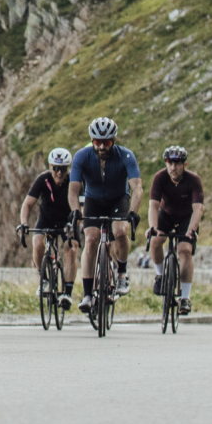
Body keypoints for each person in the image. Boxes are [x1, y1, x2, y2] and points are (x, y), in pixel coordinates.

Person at [70, 116, 142, 313]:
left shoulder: (126, 156)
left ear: (114, 141)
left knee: (120, 231)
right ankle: (86, 294)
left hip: (118, 199)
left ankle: (122, 273)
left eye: (107, 142)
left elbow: (137, 188)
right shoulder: (82, 156)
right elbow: (73, 190)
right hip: (93, 200)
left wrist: (133, 212)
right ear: (92, 141)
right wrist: (76, 211)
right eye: (97, 142)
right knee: (91, 239)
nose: (102, 146)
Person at [17, 146, 80, 310]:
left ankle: (67, 291)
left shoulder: (74, 180)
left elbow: (82, 208)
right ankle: (43, 278)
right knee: (37, 244)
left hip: (68, 221)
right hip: (46, 220)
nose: (60, 173)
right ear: (50, 167)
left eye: (63, 169)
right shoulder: (43, 179)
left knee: (71, 249)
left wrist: (74, 225)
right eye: (56, 168)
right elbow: (27, 204)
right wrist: (23, 223)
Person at [147, 145, 204, 315]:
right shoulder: (160, 177)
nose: (173, 167)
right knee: (155, 241)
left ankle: (185, 298)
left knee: (185, 250)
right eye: (169, 163)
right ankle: (160, 275)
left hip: (187, 218)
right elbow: (153, 206)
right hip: (166, 214)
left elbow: (198, 209)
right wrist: (152, 227)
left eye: (177, 163)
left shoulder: (193, 180)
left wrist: (191, 230)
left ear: (184, 165)